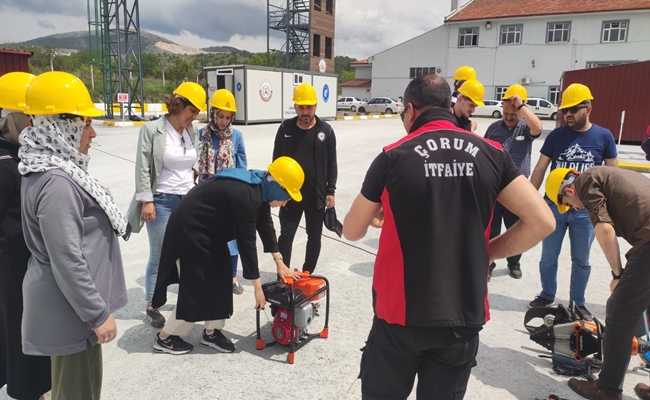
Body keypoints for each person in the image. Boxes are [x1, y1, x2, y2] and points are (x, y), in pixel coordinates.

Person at [342, 74, 555, 399]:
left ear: (410, 110)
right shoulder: (493, 153)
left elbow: (351, 230)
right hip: (462, 315)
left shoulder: (393, 156)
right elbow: (542, 222)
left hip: (400, 315)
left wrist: (376, 214)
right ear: (448, 105)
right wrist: (488, 251)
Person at [18, 71, 128, 400]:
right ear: (60, 126)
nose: (93, 133)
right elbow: (67, 259)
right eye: (86, 124)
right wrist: (97, 314)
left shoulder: (47, 167)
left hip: (73, 310)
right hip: (73, 313)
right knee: (78, 392)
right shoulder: (57, 183)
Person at [150, 157, 304, 355]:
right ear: (278, 186)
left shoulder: (260, 186)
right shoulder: (247, 196)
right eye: (286, 197)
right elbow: (247, 244)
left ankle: (211, 333)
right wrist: (257, 288)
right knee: (197, 287)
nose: (285, 203)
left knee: (222, 277)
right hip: (189, 231)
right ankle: (165, 338)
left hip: (210, 233)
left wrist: (279, 261)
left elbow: (265, 224)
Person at [542, 166, 650, 400]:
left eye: (568, 204)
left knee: (619, 310)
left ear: (568, 190)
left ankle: (607, 389)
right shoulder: (605, 176)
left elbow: (604, 229)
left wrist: (617, 275)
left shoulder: (587, 182)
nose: (575, 208)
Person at [529, 83, 618, 318]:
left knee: (581, 259)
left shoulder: (604, 136)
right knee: (548, 256)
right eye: (564, 110)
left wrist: (610, 207)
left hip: (585, 211)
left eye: (573, 110)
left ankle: (577, 303)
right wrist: (529, 199)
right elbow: (540, 168)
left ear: (589, 108)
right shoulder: (556, 136)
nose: (568, 114)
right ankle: (547, 295)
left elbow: (613, 174)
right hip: (554, 206)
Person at [126, 82, 205, 328]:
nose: (195, 116)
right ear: (179, 105)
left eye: (197, 112)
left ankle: (187, 300)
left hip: (187, 202)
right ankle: (152, 304)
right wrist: (147, 201)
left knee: (189, 253)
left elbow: (194, 162)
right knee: (160, 255)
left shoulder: (191, 131)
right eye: (193, 110)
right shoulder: (152, 130)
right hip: (161, 201)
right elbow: (142, 167)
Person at [0, 72, 51, 400]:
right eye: (30, 118)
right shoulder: (7, 163)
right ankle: (26, 390)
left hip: (21, 258)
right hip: (13, 262)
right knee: (20, 328)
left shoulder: (21, 156)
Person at [272, 83, 337, 274]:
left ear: (316, 106)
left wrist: (330, 190)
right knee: (286, 235)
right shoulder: (285, 128)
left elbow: (332, 163)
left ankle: (308, 272)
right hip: (290, 195)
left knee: (314, 236)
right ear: (295, 107)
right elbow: (276, 162)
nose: (305, 112)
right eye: (301, 107)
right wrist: (277, 191)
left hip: (316, 195)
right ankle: (284, 274)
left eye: (309, 107)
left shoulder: (326, 131)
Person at [485, 83, 543, 280]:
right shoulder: (493, 129)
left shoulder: (525, 128)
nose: (509, 118)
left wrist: (521, 106)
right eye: (506, 114)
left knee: (515, 230)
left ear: (520, 110)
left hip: (517, 190)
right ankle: (489, 265)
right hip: (495, 189)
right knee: (492, 229)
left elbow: (538, 127)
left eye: (513, 114)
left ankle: (514, 262)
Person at [196, 89, 248, 295]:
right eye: (220, 116)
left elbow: (242, 168)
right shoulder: (201, 135)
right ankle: (210, 275)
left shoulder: (237, 137)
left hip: (228, 195)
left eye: (228, 117)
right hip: (206, 195)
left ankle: (232, 276)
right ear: (213, 114)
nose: (224, 121)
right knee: (208, 238)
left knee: (232, 238)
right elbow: (193, 164)